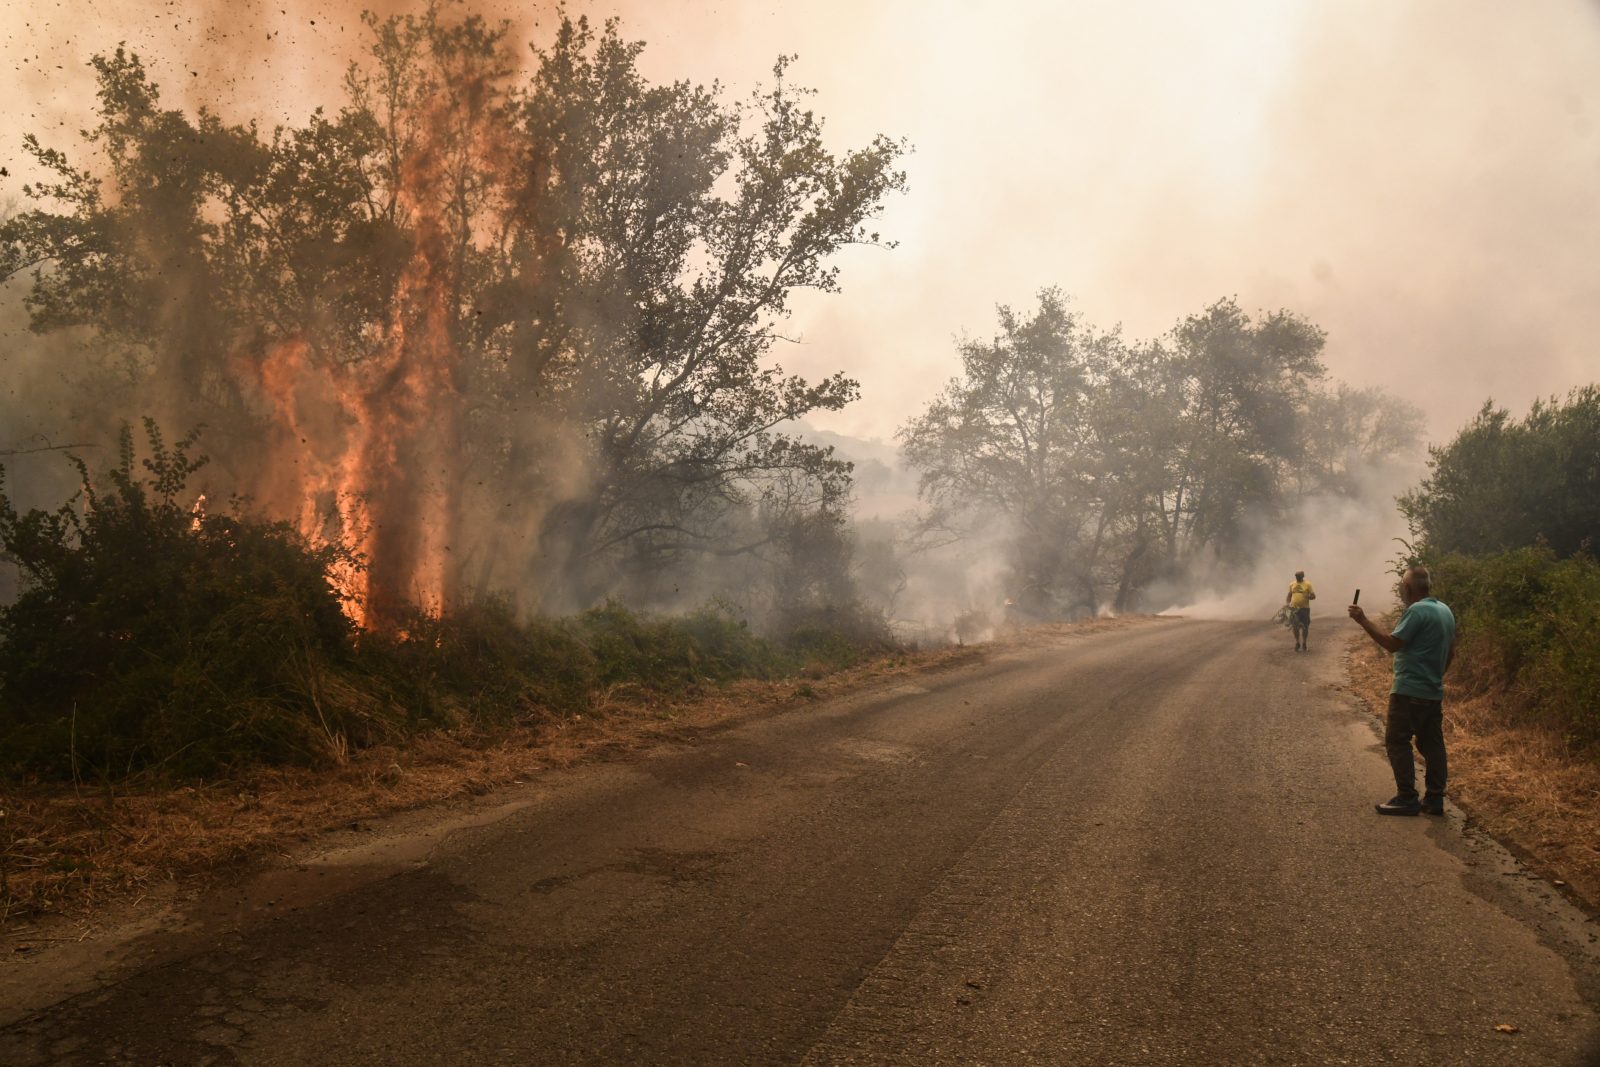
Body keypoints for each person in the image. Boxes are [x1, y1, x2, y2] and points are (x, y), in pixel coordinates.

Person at [1348, 565, 1457, 816]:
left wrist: (1362, 619)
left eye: (1401, 586)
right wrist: (1435, 677)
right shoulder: (1445, 610)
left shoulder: (1416, 611)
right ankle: (1435, 799)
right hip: (1432, 691)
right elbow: (1451, 652)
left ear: (1408, 588)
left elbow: (1392, 644)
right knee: (1432, 744)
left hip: (1409, 691)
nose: (1400, 590)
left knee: (1397, 740)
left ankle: (1407, 797)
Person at [1285, 570, 1316, 651]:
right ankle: (1297, 642)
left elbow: (1313, 596)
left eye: (1298, 576)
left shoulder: (1308, 584)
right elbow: (1289, 595)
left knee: (1305, 627)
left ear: (1302, 576)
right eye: (1296, 576)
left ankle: (1304, 642)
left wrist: (1308, 597)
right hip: (1294, 609)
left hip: (1305, 609)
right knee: (1295, 627)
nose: (1297, 577)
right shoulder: (1292, 584)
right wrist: (1288, 603)